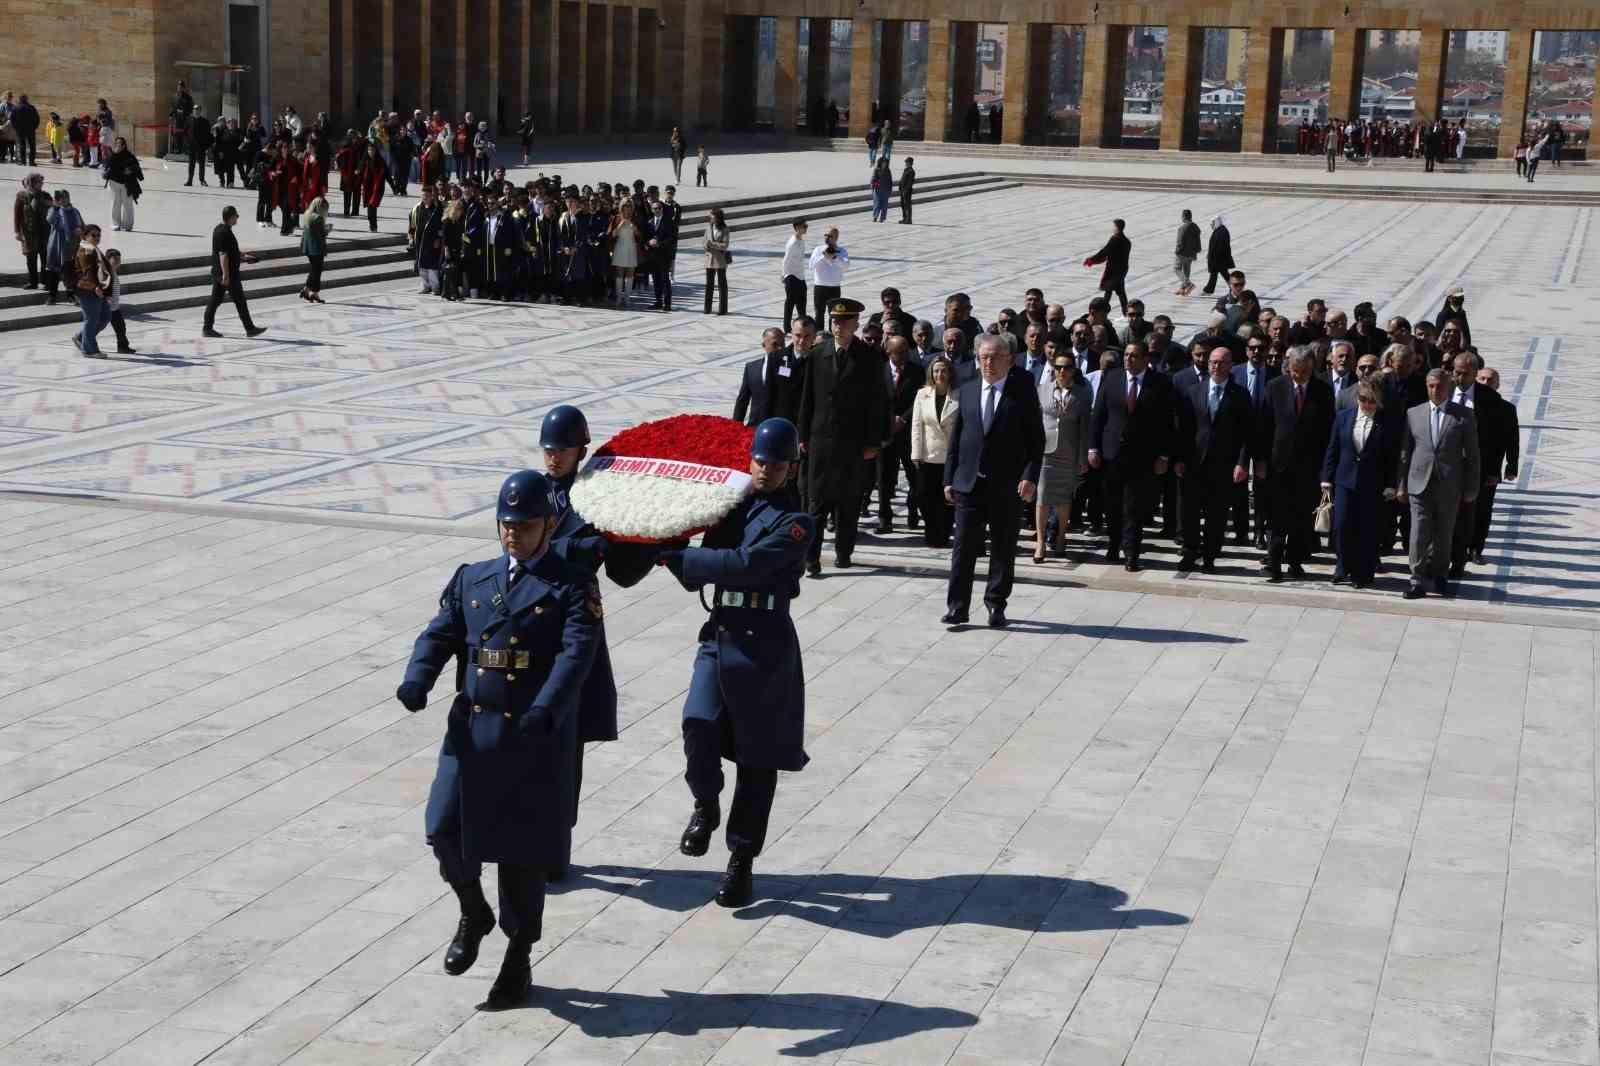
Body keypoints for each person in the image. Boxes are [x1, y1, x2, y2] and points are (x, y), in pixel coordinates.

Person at [396, 469, 599, 1011]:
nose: (513, 533)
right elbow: (439, 633)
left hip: (531, 736)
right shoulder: (473, 577)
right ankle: (473, 909)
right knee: (442, 828)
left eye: (526, 524)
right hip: (474, 730)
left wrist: (546, 709)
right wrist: (419, 677)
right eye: (506, 524)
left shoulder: (572, 585)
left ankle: (517, 958)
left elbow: (577, 654)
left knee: (521, 857)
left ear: (549, 525)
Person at [660, 418, 814, 908]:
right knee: (697, 723)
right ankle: (705, 803)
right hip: (721, 633)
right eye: (759, 460)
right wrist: (666, 538)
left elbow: (745, 567)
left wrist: (679, 559)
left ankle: (741, 861)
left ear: (791, 467)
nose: (765, 469)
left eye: (775, 463)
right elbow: (706, 564)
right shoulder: (732, 508)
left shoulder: (797, 523)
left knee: (757, 759)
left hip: (765, 648)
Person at [538, 406, 657, 881]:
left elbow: (625, 572)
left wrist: (648, 534)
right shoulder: (529, 491)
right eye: (547, 449)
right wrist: (582, 548)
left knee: (567, 747)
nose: (553, 458)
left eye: (562, 450)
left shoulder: (601, 498)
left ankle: (556, 841)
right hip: (530, 623)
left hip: (574, 629)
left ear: (582, 450)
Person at [942, 333, 1045, 626]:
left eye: (995, 357)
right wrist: (949, 478)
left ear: (1008, 360)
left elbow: (1036, 441)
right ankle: (957, 606)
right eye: (984, 357)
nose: (989, 362)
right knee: (962, 548)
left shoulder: (1022, 393)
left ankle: (996, 604)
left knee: (1002, 548)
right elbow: (957, 438)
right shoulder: (969, 389)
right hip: (969, 484)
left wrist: (1029, 477)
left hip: (1006, 485)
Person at [797, 297, 890, 574]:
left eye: (844, 321)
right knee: (816, 503)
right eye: (835, 321)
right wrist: (802, 435)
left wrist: (875, 442)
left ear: (855, 324)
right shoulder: (817, 354)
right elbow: (807, 399)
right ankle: (811, 557)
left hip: (853, 442)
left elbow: (879, 403)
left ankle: (844, 552)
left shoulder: (870, 357)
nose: (838, 326)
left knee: (848, 502)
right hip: (821, 441)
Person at [1089, 340, 1177, 571]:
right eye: (1126, 355)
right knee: (1112, 504)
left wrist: (1164, 456)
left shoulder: (1160, 384)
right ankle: (1113, 544)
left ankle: (1131, 553)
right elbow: (1098, 415)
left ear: (1146, 359)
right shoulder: (1113, 378)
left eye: (1134, 356)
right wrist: (1093, 447)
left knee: (1133, 507)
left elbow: (1167, 423)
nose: (1129, 359)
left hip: (1142, 457)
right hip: (1112, 455)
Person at [1397, 369, 1479, 599]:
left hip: (1449, 484)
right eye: (1431, 386)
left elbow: (1473, 455)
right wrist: (1401, 483)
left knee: (1444, 533)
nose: (1436, 390)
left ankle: (1440, 576)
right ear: (1426, 386)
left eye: (1440, 386)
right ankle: (1417, 579)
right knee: (1418, 533)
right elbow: (1405, 451)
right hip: (1418, 482)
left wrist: (1471, 487)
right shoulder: (1414, 414)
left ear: (1449, 387)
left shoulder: (1463, 415)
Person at [1259, 348, 1335, 583]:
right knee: (1277, 518)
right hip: (1278, 466)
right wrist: (1260, 461)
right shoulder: (1275, 386)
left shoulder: (1323, 391)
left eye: (1304, 372)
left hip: (1308, 468)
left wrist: (1325, 471)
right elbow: (1263, 426)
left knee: (1301, 518)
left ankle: (1294, 562)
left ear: (1312, 368)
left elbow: (1327, 432)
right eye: (1294, 371)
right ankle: (1273, 564)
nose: (1298, 376)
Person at [1176, 348, 1251, 572]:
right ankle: (1189, 552)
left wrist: (1242, 462)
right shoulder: (1193, 391)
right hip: (1193, 462)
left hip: (1223, 464)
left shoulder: (1240, 394)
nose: (1216, 366)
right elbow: (1183, 429)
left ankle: (1209, 556)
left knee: (1216, 514)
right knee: (1189, 511)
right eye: (1213, 362)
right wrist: (1179, 458)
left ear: (1230, 365)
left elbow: (1246, 433)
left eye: (1222, 362)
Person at [1321, 380, 1394, 589]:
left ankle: (1363, 572)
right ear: (1357, 398)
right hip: (1345, 480)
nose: (1367, 404)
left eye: (1372, 401)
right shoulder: (1344, 417)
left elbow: (1391, 456)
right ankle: (1342, 567)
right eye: (1363, 399)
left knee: (1367, 529)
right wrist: (1326, 477)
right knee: (1342, 526)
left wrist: (1390, 484)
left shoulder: (1386, 421)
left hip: (1373, 483)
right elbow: (1332, 448)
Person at [1034, 355, 1091, 562]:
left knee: (1063, 499)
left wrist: (1083, 456)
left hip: (1068, 451)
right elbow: (1036, 421)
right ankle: (1040, 542)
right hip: (1045, 452)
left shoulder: (1082, 394)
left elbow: (1085, 427)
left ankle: (1061, 536)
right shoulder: (1042, 389)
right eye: (1058, 367)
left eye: (1066, 367)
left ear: (1073, 370)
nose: (1062, 371)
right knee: (1042, 498)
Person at [876, 335, 926, 533]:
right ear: (889, 352)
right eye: (899, 352)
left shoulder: (917, 372)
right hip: (886, 433)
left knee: (914, 476)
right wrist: (889, 420)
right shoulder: (879, 372)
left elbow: (920, 399)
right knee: (884, 477)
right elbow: (875, 400)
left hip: (908, 431)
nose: (904, 355)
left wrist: (903, 419)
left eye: (906, 351)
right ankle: (884, 517)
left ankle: (913, 511)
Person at [1469, 366, 1518, 564]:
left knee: (1483, 510)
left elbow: (1512, 439)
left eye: (1490, 380)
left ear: (1497, 384)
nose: (1485, 383)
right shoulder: (1464, 404)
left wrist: (1511, 466)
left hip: (1489, 469)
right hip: (1463, 466)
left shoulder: (1505, 408)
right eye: (1481, 379)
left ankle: (1475, 549)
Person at [910, 355, 958, 548]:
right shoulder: (922, 394)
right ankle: (931, 530)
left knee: (946, 499)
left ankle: (944, 532)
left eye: (944, 370)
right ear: (931, 372)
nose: (940, 374)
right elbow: (916, 425)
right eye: (936, 370)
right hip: (928, 455)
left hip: (949, 456)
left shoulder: (959, 395)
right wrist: (916, 453)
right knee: (924, 496)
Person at [202, 206, 267, 339]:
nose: (237, 218)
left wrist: (244, 256)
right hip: (228, 274)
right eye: (236, 216)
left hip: (222, 273)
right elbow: (223, 255)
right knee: (238, 301)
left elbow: (230, 252)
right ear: (230, 217)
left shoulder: (221, 230)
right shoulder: (223, 233)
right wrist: (226, 275)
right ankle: (249, 329)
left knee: (216, 300)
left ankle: (207, 328)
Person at [70, 224, 110, 357]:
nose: (97, 238)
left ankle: (81, 338)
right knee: (91, 319)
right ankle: (89, 349)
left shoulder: (93, 248)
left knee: (104, 317)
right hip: (88, 289)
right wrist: (95, 287)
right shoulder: (86, 250)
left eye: (98, 235)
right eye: (93, 235)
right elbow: (88, 272)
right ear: (85, 236)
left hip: (99, 288)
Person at [734, 327, 786, 426]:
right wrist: (735, 426)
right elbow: (743, 399)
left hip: (781, 426)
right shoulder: (752, 368)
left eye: (782, 344)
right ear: (764, 345)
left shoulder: (788, 367)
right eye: (775, 344)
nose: (780, 348)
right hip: (755, 425)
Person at [1083, 218, 1131, 318]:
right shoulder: (1127, 241)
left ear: (1117, 227)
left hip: (1114, 271)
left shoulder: (1115, 239)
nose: (1112, 228)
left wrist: (1092, 259)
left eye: (1113, 226)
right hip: (1122, 270)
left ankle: (1102, 311)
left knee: (1111, 291)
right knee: (1119, 292)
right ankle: (1125, 312)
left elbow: (1105, 251)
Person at [43, 188, 83, 306]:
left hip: (71, 246)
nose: (63, 200)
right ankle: (52, 296)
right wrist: (55, 206)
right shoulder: (54, 210)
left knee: (70, 272)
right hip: (56, 245)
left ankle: (71, 295)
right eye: (60, 198)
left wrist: (80, 230)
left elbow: (82, 225)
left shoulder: (75, 211)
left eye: (65, 197)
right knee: (54, 272)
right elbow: (50, 220)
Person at [13, 172, 51, 290]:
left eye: (41, 182)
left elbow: (54, 210)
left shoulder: (45, 195)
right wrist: (17, 231)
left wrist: (49, 204)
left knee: (45, 258)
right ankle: (32, 282)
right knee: (31, 258)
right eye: (39, 182)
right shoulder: (21, 196)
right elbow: (17, 214)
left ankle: (45, 281)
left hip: (44, 232)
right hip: (29, 233)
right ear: (32, 183)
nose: (41, 184)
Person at [808, 225, 848, 325]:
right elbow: (811, 265)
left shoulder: (841, 251)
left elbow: (846, 266)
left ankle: (832, 336)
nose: (827, 238)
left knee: (834, 314)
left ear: (836, 238)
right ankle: (819, 336)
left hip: (834, 287)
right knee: (819, 313)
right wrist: (823, 255)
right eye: (826, 235)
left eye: (830, 236)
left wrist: (834, 257)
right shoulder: (818, 250)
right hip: (820, 286)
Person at [609, 198, 643, 309]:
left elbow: (640, 236)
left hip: (631, 247)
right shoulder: (616, 218)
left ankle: (627, 297)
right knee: (619, 273)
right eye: (625, 206)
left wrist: (635, 229)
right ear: (621, 207)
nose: (627, 208)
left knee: (630, 273)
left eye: (629, 206)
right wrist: (620, 225)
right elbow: (611, 234)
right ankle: (619, 297)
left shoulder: (635, 218)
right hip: (620, 247)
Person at [102, 248, 136, 355]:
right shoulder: (106, 273)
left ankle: (123, 347)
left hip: (114, 307)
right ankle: (80, 337)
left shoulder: (113, 272)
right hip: (107, 307)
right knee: (97, 326)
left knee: (121, 327)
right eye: (115, 259)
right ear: (107, 260)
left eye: (119, 259)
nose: (118, 262)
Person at [299, 195, 330, 304]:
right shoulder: (318, 218)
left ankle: (310, 291)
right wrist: (327, 229)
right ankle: (310, 291)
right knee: (316, 271)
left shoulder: (307, 214)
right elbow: (321, 234)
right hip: (317, 247)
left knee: (315, 270)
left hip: (308, 247)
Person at [780, 218, 808, 333]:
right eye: (804, 226)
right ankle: (787, 327)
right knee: (790, 302)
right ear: (797, 228)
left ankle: (803, 325)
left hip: (800, 275)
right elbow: (786, 260)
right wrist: (784, 275)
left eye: (806, 226)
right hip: (791, 276)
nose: (806, 228)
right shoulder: (792, 243)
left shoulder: (800, 240)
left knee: (802, 302)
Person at [702, 206, 730, 316]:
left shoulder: (725, 229)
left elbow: (725, 245)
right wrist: (706, 246)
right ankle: (707, 308)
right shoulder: (708, 227)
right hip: (709, 259)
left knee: (722, 285)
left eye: (712, 215)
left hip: (720, 260)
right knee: (709, 284)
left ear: (717, 217)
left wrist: (712, 244)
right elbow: (704, 241)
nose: (710, 217)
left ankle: (722, 309)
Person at [1201, 216, 1234, 295]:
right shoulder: (1220, 230)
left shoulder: (1222, 231)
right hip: (1218, 258)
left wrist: (1213, 256)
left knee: (1220, 274)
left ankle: (1208, 290)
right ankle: (1209, 289)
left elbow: (1220, 246)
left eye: (1212, 224)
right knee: (1217, 274)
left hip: (1219, 258)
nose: (1211, 226)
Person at [360, 142, 387, 232]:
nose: (370, 152)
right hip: (367, 187)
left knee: (372, 206)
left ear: (376, 151)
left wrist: (394, 187)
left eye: (372, 150)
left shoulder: (380, 161)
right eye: (369, 150)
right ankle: (371, 224)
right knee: (369, 207)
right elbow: (360, 171)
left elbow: (387, 174)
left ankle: (374, 226)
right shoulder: (365, 160)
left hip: (377, 187)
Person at [1434, 284, 1472, 351]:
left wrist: (1468, 346)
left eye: (1461, 297)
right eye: (1457, 297)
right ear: (1449, 298)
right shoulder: (1443, 315)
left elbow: (1466, 332)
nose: (1460, 299)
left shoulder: (1462, 313)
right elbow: (1438, 334)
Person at [1173, 209, 1201, 296]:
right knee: (1186, 271)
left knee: (1177, 269)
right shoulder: (1195, 227)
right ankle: (1182, 289)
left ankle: (1188, 284)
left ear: (1184, 217)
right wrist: (1197, 250)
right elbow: (1198, 240)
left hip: (1182, 253)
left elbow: (1180, 241)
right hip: (1191, 253)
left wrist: (1177, 251)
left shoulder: (1182, 228)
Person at [185, 106, 213, 186]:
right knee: (191, 163)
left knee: (201, 164)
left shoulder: (205, 121)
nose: (196, 111)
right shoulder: (189, 120)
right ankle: (190, 180)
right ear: (193, 111)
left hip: (201, 146)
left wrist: (207, 146)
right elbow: (185, 132)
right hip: (192, 146)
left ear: (200, 111)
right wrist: (188, 142)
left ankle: (202, 180)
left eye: (198, 110)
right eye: (195, 110)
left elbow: (208, 135)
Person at [869, 158, 891, 223]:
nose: (885, 164)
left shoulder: (888, 170)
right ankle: (875, 216)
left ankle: (882, 217)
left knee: (884, 205)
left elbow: (890, 181)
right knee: (877, 204)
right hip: (878, 190)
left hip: (886, 190)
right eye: (883, 162)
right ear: (880, 163)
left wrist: (890, 190)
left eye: (886, 163)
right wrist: (873, 187)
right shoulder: (876, 170)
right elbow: (873, 179)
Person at [899, 157, 915, 224]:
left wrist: (906, 190)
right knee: (903, 205)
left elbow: (910, 182)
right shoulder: (906, 170)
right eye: (906, 162)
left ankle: (908, 219)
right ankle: (904, 218)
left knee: (907, 205)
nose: (905, 163)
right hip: (903, 190)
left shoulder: (911, 171)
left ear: (910, 163)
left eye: (907, 162)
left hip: (907, 191)